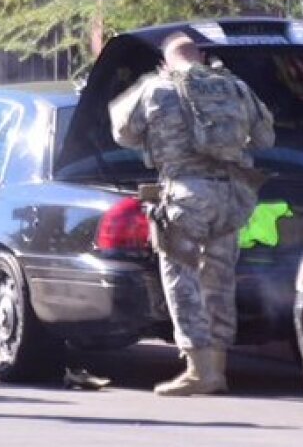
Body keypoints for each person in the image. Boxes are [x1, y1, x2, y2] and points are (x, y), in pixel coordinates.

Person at [109, 32, 275, 396]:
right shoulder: (237, 88)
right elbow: (265, 140)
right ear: (201, 56)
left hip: (184, 193)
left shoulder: (156, 88)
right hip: (232, 195)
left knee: (182, 279)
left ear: (167, 60)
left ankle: (198, 371)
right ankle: (218, 369)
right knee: (219, 280)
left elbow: (122, 132)